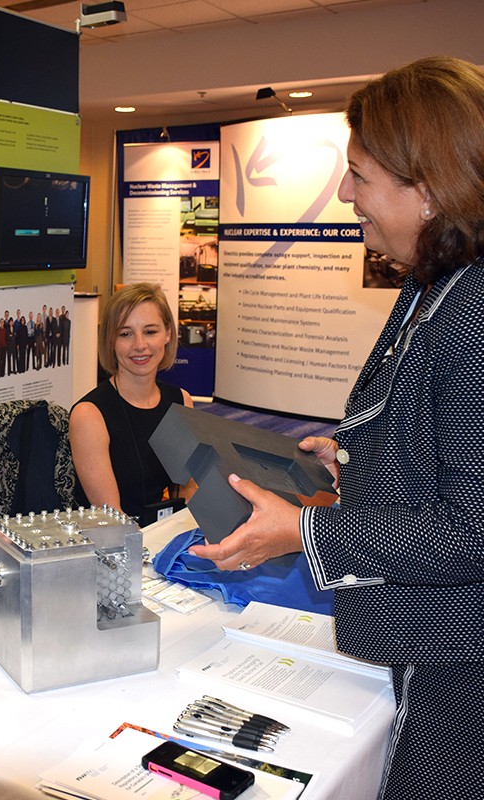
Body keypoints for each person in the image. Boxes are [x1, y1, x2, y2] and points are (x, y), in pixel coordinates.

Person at [190, 57, 484, 799]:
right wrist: (369, 459)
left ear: (428, 186)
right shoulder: (435, 286)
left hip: (459, 664)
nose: (346, 193)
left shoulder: (473, 314)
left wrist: (304, 533)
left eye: (360, 174)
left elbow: (474, 530)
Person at [69, 282, 195, 520]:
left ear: (168, 333)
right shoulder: (89, 415)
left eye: (150, 331)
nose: (139, 345)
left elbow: (188, 489)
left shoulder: (181, 401)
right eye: (126, 334)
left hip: (165, 533)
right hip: (115, 543)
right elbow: (113, 520)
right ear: (110, 341)